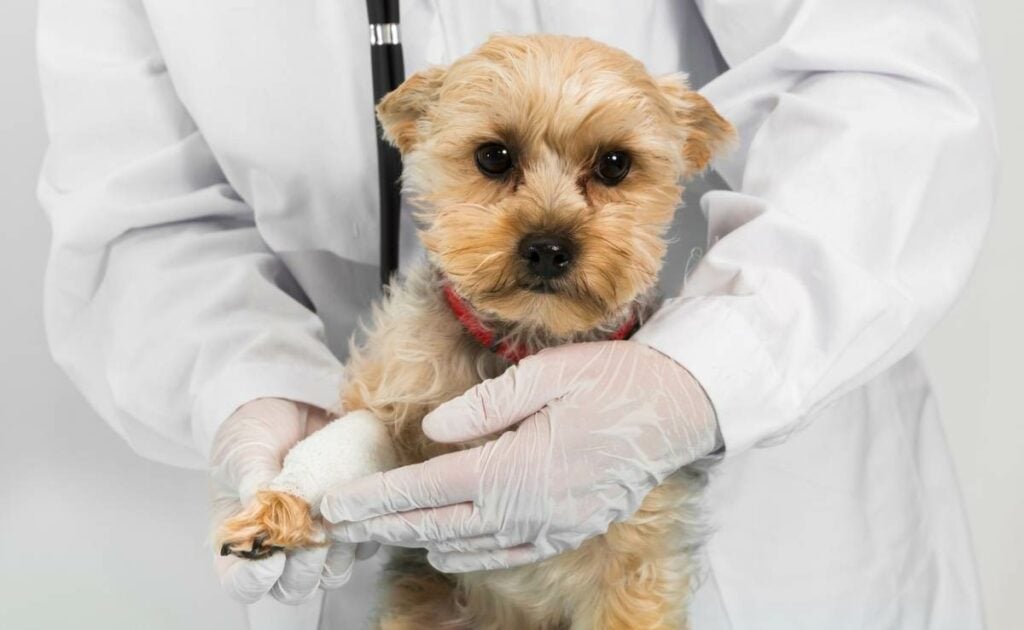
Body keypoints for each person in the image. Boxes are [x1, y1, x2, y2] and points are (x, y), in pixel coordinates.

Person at [37, 1, 995, 628]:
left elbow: (887, 88)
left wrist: (704, 374)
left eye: (610, 169)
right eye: (495, 162)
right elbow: (144, 216)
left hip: (780, 515)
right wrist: (247, 390)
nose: (548, 229)